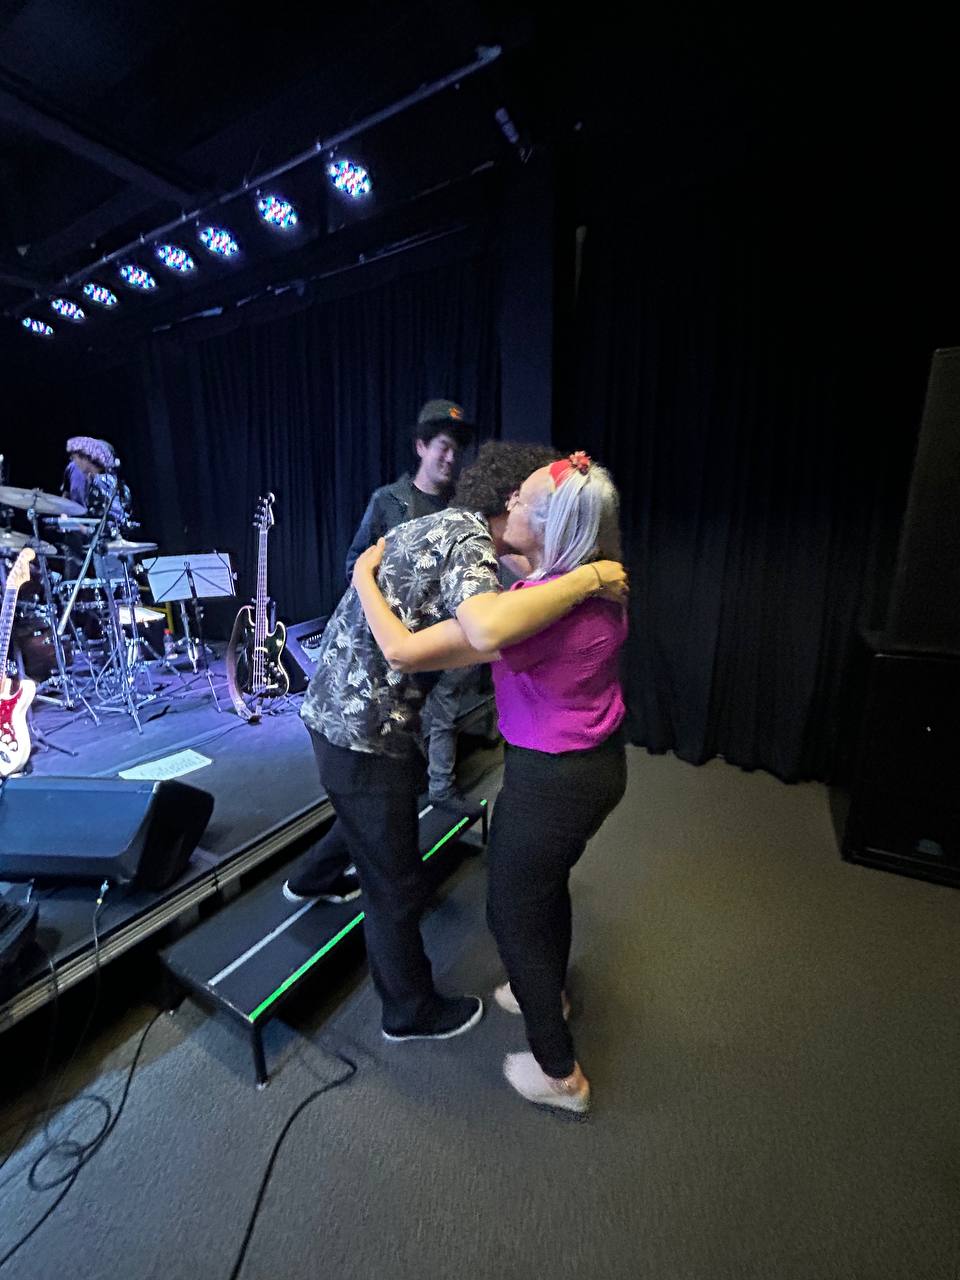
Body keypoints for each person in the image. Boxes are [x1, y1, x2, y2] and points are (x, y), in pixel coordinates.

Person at [290, 442, 628, 1045]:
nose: (520, 504)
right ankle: (407, 1011)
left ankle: (311, 879)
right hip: (364, 727)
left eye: (532, 501)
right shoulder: (473, 546)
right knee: (395, 885)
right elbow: (483, 629)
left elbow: (515, 586)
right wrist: (591, 575)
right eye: (520, 498)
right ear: (508, 505)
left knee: (367, 811)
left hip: (344, 712)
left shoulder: (461, 531)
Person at [345, 398, 490, 811]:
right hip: (399, 638)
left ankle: (440, 789)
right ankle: (395, 796)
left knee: (443, 713)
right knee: (393, 721)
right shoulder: (387, 501)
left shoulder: (463, 507)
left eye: (457, 449)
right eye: (443, 446)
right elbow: (356, 564)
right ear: (421, 446)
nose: (451, 457)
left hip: (446, 636)